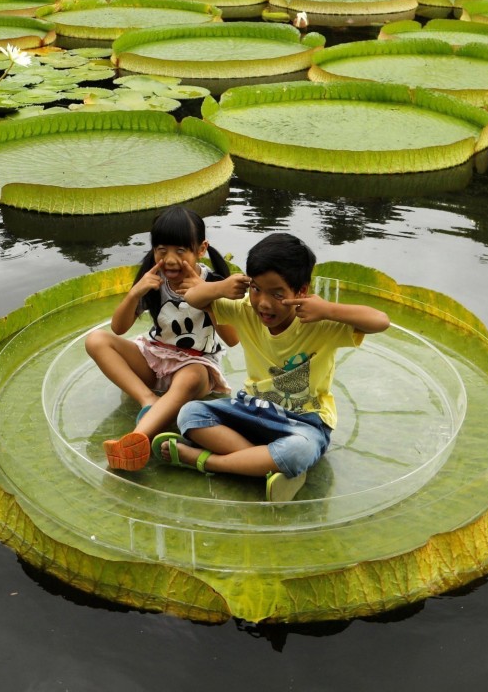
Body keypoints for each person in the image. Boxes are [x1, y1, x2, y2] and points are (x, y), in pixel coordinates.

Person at [152, 233, 390, 501]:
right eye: (256, 289)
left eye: (277, 294)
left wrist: (328, 309)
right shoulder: (246, 309)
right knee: (190, 414)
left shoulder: (320, 322)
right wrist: (222, 287)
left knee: (297, 451)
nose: (263, 303)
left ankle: (208, 461)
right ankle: (267, 465)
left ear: (301, 291)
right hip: (252, 409)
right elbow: (194, 298)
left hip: (304, 422)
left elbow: (380, 321)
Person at [86, 206, 238, 472]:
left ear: (201, 249)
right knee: (96, 340)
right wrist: (135, 293)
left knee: (191, 375)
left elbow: (233, 339)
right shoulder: (153, 281)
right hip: (154, 359)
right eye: (162, 250)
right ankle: (148, 400)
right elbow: (118, 328)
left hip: (195, 367)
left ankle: (137, 439)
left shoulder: (213, 283)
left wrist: (207, 298)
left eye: (181, 251)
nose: (170, 259)